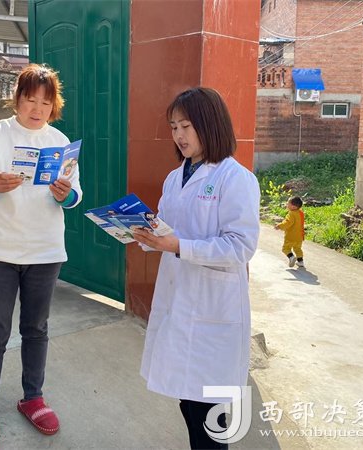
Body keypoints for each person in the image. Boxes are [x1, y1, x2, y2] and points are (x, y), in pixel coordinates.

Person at [0, 63, 82, 450]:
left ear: (54, 106)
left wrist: (66, 194)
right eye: (30, 100)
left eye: (46, 102)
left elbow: (75, 196)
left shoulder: (60, 142)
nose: (37, 109)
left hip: (45, 251)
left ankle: (33, 398)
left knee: (36, 329)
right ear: (17, 100)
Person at [132, 87, 260, 450]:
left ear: (209, 124)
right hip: (179, 301)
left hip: (213, 310)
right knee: (187, 402)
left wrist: (178, 246)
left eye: (186, 126)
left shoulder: (236, 179)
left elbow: (241, 246)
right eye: (173, 127)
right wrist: (144, 235)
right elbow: (166, 229)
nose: (179, 135)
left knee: (209, 417)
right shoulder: (175, 178)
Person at [274, 196, 305, 267]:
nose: (286, 204)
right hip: (300, 236)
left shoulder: (291, 214)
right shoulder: (301, 213)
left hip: (291, 236)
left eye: (288, 203)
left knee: (285, 248)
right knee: (297, 249)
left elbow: (287, 223)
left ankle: (291, 257)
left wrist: (279, 226)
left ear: (294, 207)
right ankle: (300, 261)